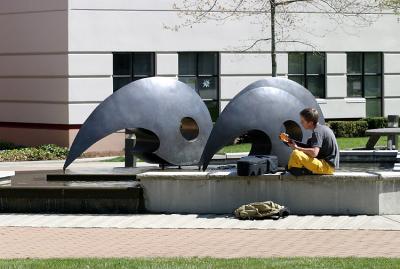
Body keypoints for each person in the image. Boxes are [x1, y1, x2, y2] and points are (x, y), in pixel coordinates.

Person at [286, 108, 339, 176]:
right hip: (326, 165)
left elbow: (314, 153)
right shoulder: (322, 129)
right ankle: (295, 169)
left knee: (296, 153)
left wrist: (297, 148)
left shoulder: (317, 132)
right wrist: (292, 143)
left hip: (326, 167)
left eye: (303, 121)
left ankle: (295, 169)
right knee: (297, 153)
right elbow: (310, 149)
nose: (301, 123)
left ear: (310, 123)